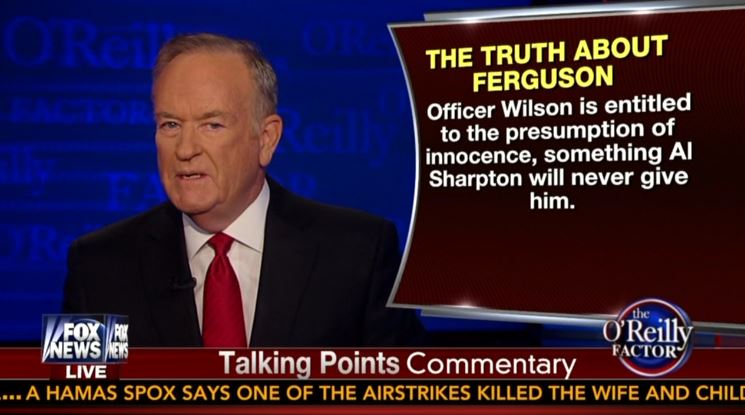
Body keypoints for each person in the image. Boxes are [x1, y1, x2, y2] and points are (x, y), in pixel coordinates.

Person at [62, 33, 423, 347]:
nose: (185, 149)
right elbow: (74, 394)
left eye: (212, 125)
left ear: (266, 139)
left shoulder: (359, 253)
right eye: (170, 124)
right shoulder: (97, 266)